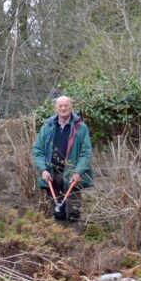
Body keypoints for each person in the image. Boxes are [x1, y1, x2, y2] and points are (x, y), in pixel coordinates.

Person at [32, 95, 94, 231]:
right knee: (56, 213)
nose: (63, 108)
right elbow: (37, 151)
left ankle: (75, 246)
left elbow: (86, 152)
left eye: (66, 105)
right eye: (60, 106)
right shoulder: (47, 127)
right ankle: (59, 245)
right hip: (52, 176)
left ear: (71, 107)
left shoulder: (81, 128)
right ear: (56, 108)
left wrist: (78, 172)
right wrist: (43, 170)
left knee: (74, 213)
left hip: (72, 177)